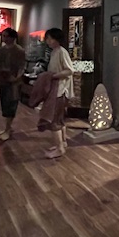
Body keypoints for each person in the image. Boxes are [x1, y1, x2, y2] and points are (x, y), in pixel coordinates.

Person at [42, 28, 75, 159]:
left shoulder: (61, 51)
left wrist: (53, 76)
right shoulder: (55, 52)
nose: (47, 41)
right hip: (57, 89)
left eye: (50, 38)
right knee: (59, 119)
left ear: (57, 39)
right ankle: (62, 143)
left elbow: (69, 70)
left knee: (54, 120)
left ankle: (60, 148)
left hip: (60, 90)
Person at [0, 28, 26, 141]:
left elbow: (22, 66)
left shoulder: (19, 50)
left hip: (14, 82)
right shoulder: (1, 50)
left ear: (12, 37)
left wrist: (16, 77)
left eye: (6, 36)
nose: (4, 38)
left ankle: (8, 129)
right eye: (3, 36)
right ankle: (8, 127)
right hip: (3, 80)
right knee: (4, 103)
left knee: (11, 104)